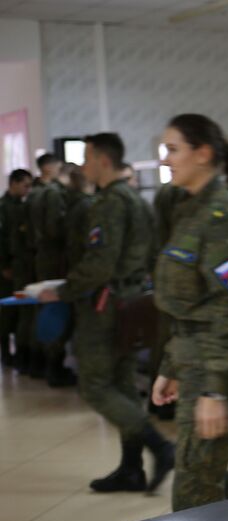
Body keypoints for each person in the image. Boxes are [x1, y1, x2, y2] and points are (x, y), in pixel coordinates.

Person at [38, 133, 174, 493]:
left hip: (104, 307)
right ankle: (131, 468)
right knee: (123, 384)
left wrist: (62, 291)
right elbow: (152, 255)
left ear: (101, 159)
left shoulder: (108, 204)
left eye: (86, 158)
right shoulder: (137, 201)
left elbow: (100, 263)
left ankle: (159, 447)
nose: (83, 166)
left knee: (96, 385)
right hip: (131, 302)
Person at [151, 113, 228, 511]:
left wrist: (215, 390)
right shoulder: (188, 210)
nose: (165, 160)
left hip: (220, 368)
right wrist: (170, 365)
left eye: (173, 150)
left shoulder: (222, 217)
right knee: (201, 479)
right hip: (194, 361)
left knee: (194, 493)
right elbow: (188, 307)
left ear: (203, 154)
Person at [27, 153, 74, 385]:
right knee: (54, 310)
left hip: (42, 256)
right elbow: (55, 229)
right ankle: (54, 367)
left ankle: (42, 362)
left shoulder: (36, 193)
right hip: (55, 259)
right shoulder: (53, 194)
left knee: (44, 310)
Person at [0, 169, 32, 369]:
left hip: (20, 266)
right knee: (6, 313)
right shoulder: (3, 208)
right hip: (6, 268)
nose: (27, 189)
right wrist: (3, 265)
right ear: (13, 183)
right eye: (24, 185)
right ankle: (5, 352)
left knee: (20, 311)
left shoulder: (22, 206)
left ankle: (20, 353)